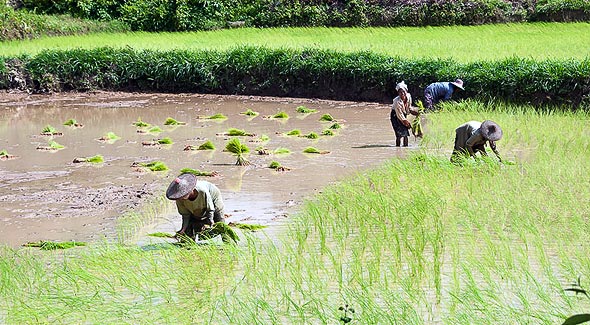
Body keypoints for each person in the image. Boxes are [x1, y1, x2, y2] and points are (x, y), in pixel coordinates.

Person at [166, 173, 225, 240]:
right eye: (180, 196)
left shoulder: (202, 191)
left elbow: (210, 209)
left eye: (183, 194)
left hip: (213, 198)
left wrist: (210, 222)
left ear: (190, 190)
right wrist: (183, 229)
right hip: (196, 209)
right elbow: (185, 215)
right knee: (187, 234)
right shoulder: (179, 198)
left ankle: (227, 242)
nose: (181, 198)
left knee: (221, 225)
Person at [390, 81, 419, 147]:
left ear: (406, 91)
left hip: (403, 114)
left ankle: (405, 148)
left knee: (406, 134)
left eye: (403, 91)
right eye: (400, 92)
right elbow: (399, 114)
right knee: (399, 135)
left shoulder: (409, 97)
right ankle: (398, 148)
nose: (402, 93)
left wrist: (415, 112)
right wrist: (406, 122)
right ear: (398, 93)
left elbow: (409, 107)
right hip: (395, 116)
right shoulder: (397, 101)